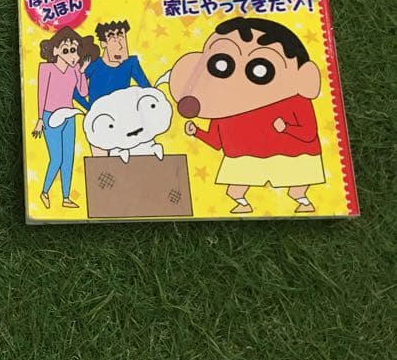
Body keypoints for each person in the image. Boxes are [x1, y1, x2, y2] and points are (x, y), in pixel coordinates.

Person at [168, 16, 324, 214]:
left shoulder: (295, 101)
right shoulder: (222, 107)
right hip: (243, 158)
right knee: (234, 192)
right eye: (221, 64)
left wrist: (286, 128)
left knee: (296, 189)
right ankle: (244, 204)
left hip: (294, 156)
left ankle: (302, 200)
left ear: (304, 77)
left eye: (261, 70)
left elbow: (309, 132)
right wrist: (196, 132)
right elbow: (216, 142)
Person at [33, 27, 99, 209]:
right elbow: (41, 94)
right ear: (55, 50)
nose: (72, 55)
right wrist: (40, 119)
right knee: (57, 158)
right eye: (67, 50)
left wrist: (82, 71)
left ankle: (66, 197)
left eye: (75, 50)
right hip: (50, 117)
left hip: (69, 116)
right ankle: (45, 191)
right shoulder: (46, 68)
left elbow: (83, 92)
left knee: (68, 158)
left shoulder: (75, 69)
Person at [76, 19, 151, 155]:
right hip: (100, 122)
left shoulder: (130, 64)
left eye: (121, 37)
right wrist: (90, 109)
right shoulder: (94, 65)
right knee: (100, 162)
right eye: (113, 39)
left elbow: (147, 90)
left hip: (124, 120)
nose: (119, 44)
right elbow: (74, 89)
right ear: (103, 43)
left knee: (125, 160)